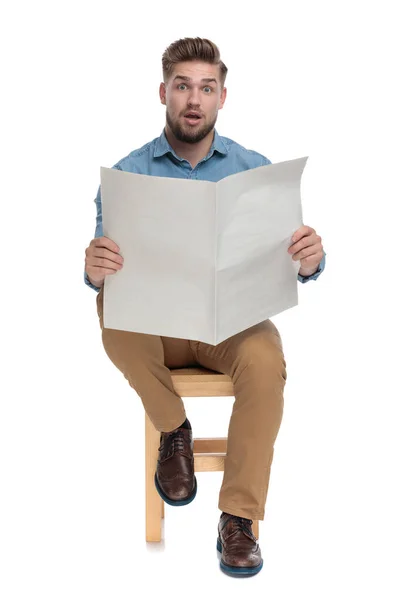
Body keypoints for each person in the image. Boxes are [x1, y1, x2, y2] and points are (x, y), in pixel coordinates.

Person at [84, 37, 326, 577]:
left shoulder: (254, 168)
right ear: (164, 92)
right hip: (155, 328)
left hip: (228, 326)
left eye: (206, 88)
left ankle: (237, 521)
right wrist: (93, 266)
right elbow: (102, 271)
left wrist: (308, 260)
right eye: (183, 87)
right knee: (111, 317)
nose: (194, 99)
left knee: (266, 361)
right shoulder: (126, 175)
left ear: (222, 97)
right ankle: (175, 429)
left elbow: (288, 263)